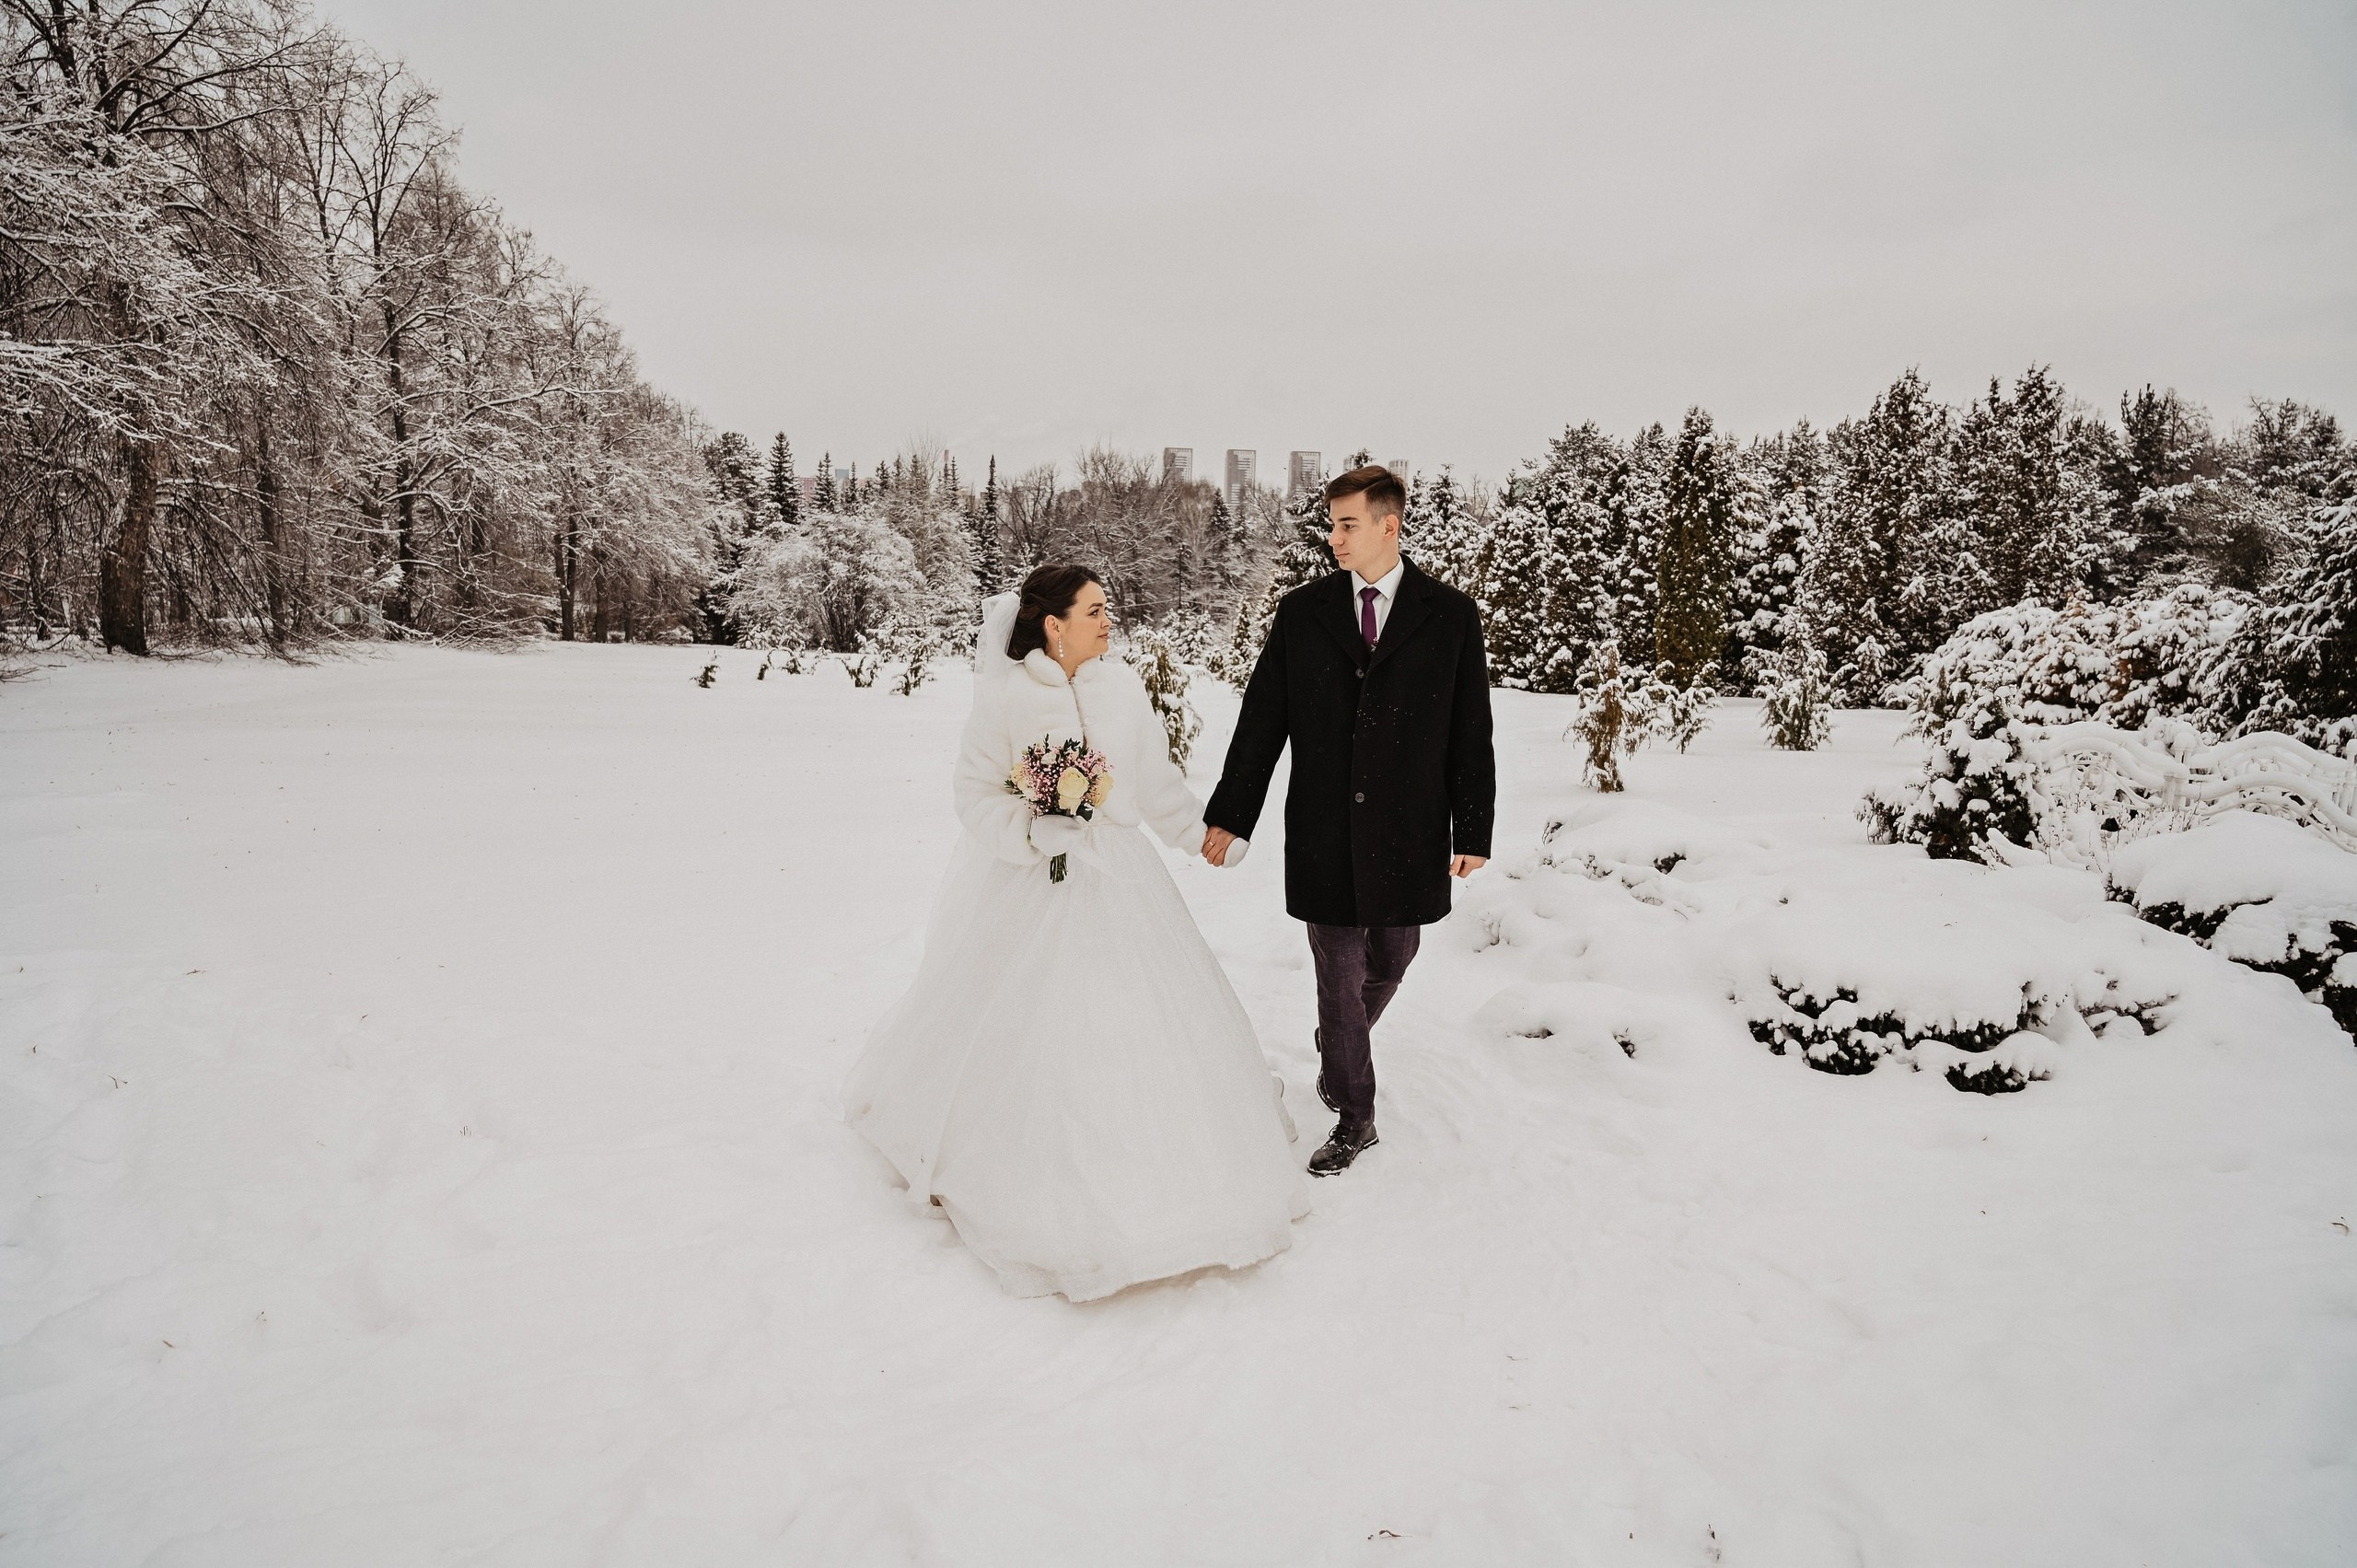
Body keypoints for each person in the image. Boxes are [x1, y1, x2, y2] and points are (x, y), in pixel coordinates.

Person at [844, 565, 1306, 1302]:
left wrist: (1200, 835)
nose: (1107, 619)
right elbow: (973, 794)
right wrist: (1032, 830)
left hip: (1122, 878)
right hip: (1030, 885)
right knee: (1035, 1025)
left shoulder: (1121, 687)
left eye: (1107, 607)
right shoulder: (1007, 696)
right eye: (1094, 610)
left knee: (1138, 1019)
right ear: (1054, 624)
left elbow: (1154, 780)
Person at [1202, 464, 1496, 1176]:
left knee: (1393, 958)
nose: (1332, 537)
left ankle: (1340, 1042)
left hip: (1409, 831)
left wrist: (1472, 829)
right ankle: (1354, 1113)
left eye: (1346, 524)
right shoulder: (1302, 613)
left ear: (1389, 525)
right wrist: (1233, 813)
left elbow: (1471, 731)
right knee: (1338, 973)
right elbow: (1262, 720)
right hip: (1325, 831)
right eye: (1331, 524)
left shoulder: (1450, 615)